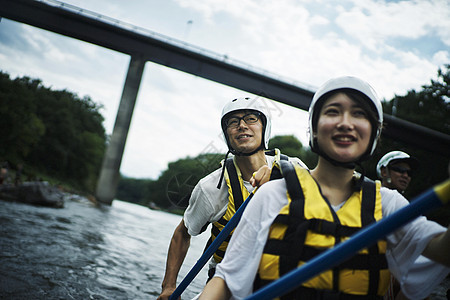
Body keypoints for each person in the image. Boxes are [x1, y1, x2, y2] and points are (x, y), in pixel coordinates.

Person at [199, 76, 450, 300]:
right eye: (332, 112)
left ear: (375, 133)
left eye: (359, 114)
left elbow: (443, 250)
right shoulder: (272, 195)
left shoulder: (389, 205)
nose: (345, 123)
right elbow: (226, 280)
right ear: (314, 129)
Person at [157, 97, 306, 300]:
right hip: (227, 285)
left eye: (251, 119)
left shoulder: (296, 170)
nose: (242, 125)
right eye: (233, 122)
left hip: (285, 278)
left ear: (265, 128)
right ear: (227, 134)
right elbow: (182, 234)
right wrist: (169, 287)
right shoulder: (211, 188)